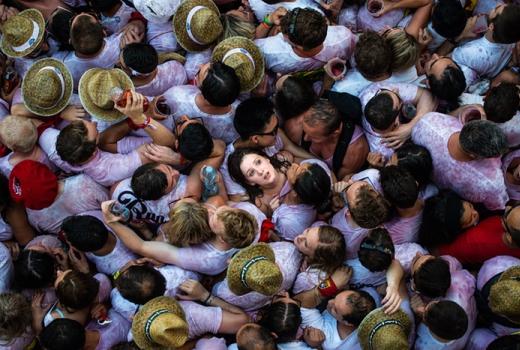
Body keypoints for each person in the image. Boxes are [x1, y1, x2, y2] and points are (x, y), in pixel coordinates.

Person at [101, 199, 257, 275]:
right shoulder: (249, 214)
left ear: (221, 238)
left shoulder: (203, 258)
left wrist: (112, 222)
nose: (210, 211)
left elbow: (140, 246)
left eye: (213, 218)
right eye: (217, 211)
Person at [228, 148, 331, 239]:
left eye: (258, 162)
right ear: (249, 182)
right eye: (251, 173)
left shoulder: (285, 160)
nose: (260, 171)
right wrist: (272, 212)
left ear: (266, 159)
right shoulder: (261, 203)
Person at [411, 113, 509, 210]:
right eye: (496, 155)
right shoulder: (490, 183)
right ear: (473, 155)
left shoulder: (430, 121)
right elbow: (498, 205)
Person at [255, 8, 356, 74]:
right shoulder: (344, 36)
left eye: (284, 34)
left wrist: (268, 21)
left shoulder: (269, 52)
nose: (280, 31)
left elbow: (247, 47)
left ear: (300, 47)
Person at [301, 99, 368, 179]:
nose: (305, 139)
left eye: (314, 137)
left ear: (334, 134)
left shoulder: (354, 151)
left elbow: (338, 181)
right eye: (305, 132)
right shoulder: (305, 125)